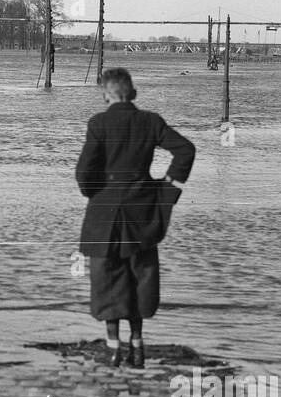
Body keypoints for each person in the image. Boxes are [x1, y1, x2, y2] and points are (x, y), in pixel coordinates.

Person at [76, 68, 194, 368]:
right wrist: (167, 188)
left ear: (106, 94)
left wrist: (95, 192)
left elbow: (84, 173)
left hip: (104, 216)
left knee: (107, 280)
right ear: (132, 92)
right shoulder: (150, 121)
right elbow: (185, 150)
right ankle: (138, 346)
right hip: (141, 211)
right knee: (140, 277)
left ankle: (114, 348)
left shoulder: (99, 123)